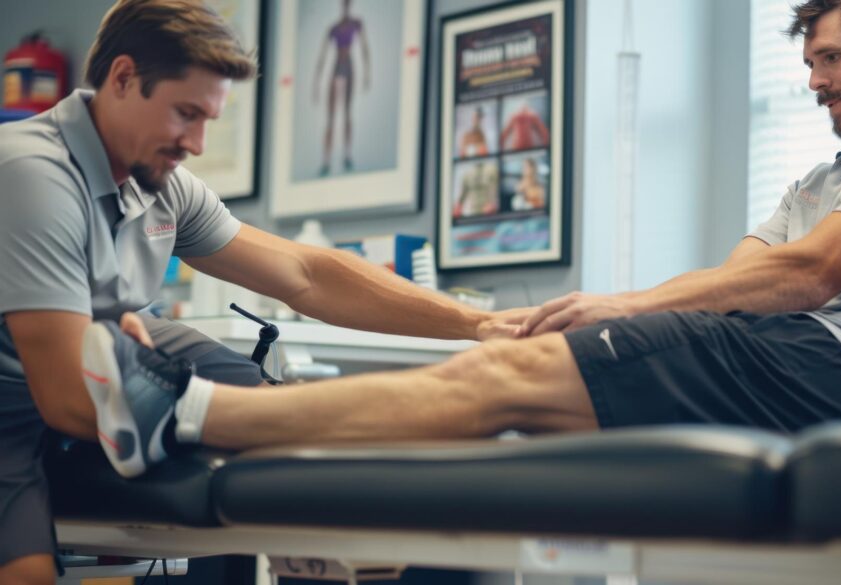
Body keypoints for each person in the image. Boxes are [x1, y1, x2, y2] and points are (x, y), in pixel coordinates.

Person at [84, 0, 841, 478]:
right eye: (807, 62)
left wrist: (617, 304)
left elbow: (804, 274)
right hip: (775, 353)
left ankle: (193, 415)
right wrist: (520, 322)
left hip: (837, 376)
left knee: (518, 376)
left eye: (831, 59)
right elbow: (738, 281)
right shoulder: (822, 179)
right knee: (500, 407)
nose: (814, 82)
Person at [0, 1, 523, 583]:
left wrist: (479, 325)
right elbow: (68, 397)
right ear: (122, 79)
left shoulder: (163, 183)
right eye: (185, 114)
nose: (196, 143)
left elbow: (306, 274)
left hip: (107, 353)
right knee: (27, 574)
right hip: (16, 394)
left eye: (208, 121)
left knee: (257, 392)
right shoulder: (33, 172)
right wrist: (213, 415)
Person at [313, 0, 371, 175]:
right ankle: (326, 160)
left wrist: (367, 73)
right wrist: (316, 82)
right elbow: (322, 56)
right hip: (336, 67)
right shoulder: (334, 28)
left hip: (349, 68)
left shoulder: (356, 24)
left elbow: (364, 48)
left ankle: (347, 155)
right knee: (331, 117)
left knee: (347, 113)